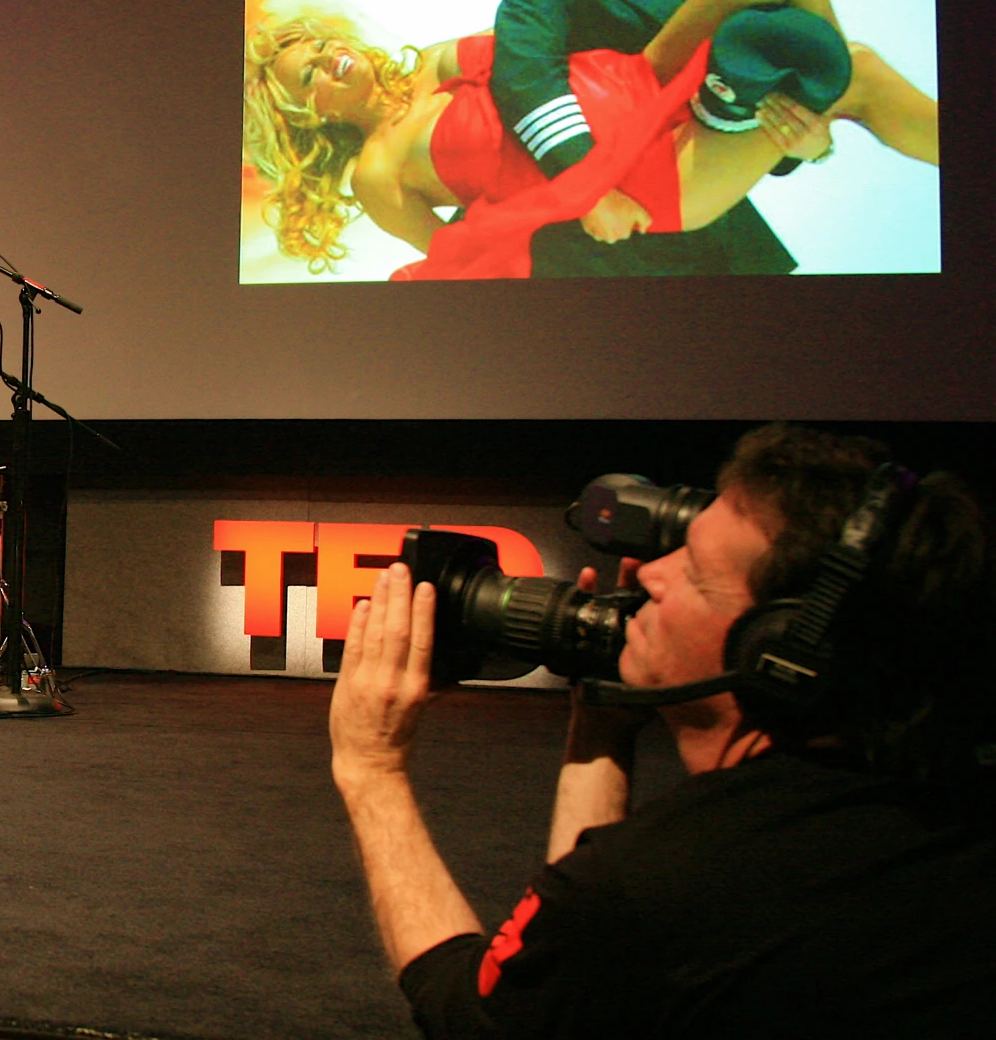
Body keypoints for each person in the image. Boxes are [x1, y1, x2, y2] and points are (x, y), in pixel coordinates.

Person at [329, 425, 996, 1035]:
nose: (649, 573)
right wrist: (602, 726)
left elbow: (478, 1013)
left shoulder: (673, 880)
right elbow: (579, 974)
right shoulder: (940, 795)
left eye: (695, 575)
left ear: (781, 656)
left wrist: (371, 768)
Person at [240, 10, 935, 279]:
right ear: (303, 115)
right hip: (637, 202)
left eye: (323, 42)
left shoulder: (430, 61)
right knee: (857, 72)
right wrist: (585, 196)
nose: (331, 55)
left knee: (842, 60)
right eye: (309, 69)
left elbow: (540, 62)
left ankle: (805, 142)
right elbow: (466, 264)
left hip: (650, 115)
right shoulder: (375, 173)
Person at [489, 0, 883, 276]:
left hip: (712, 218)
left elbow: (738, 82)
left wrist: (800, 145)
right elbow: (524, 74)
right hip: (609, 227)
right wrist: (589, 190)